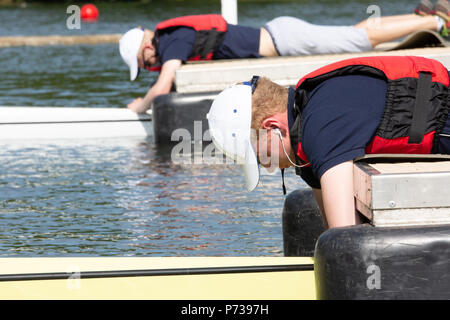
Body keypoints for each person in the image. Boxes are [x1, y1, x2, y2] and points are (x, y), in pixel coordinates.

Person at [206, 55, 450, 230]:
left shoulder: (322, 130)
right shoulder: (305, 131)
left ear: (272, 128)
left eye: (259, 157)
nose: (267, 167)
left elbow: (344, 239)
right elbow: (331, 231)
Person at [120, 0, 450, 114]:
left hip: (286, 41)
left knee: (358, 39)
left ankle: (435, 20)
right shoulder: (172, 38)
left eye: (145, 63)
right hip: (284, 35)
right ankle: (424, 16)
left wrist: (140, 106)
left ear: (147, 48)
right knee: (356, 35)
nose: (151, 67)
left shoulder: (172, 40)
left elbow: (164, 84)